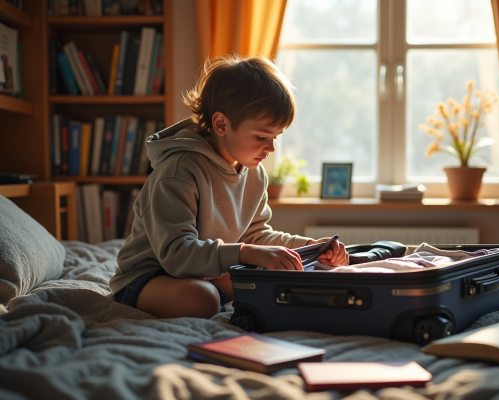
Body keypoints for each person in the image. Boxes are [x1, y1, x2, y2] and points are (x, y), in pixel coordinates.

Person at [109, 54, 349, 319]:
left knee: (280, 278)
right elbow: (177, 256)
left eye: (275, 137)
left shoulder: (253, 173)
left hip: (205, 271)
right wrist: (247, 253)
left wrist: (310, 246)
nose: (270, 148)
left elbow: (256, 235)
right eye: (261, 136)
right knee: (203, 299)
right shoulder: (178, 172)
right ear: (221, 124)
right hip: (150, 276)